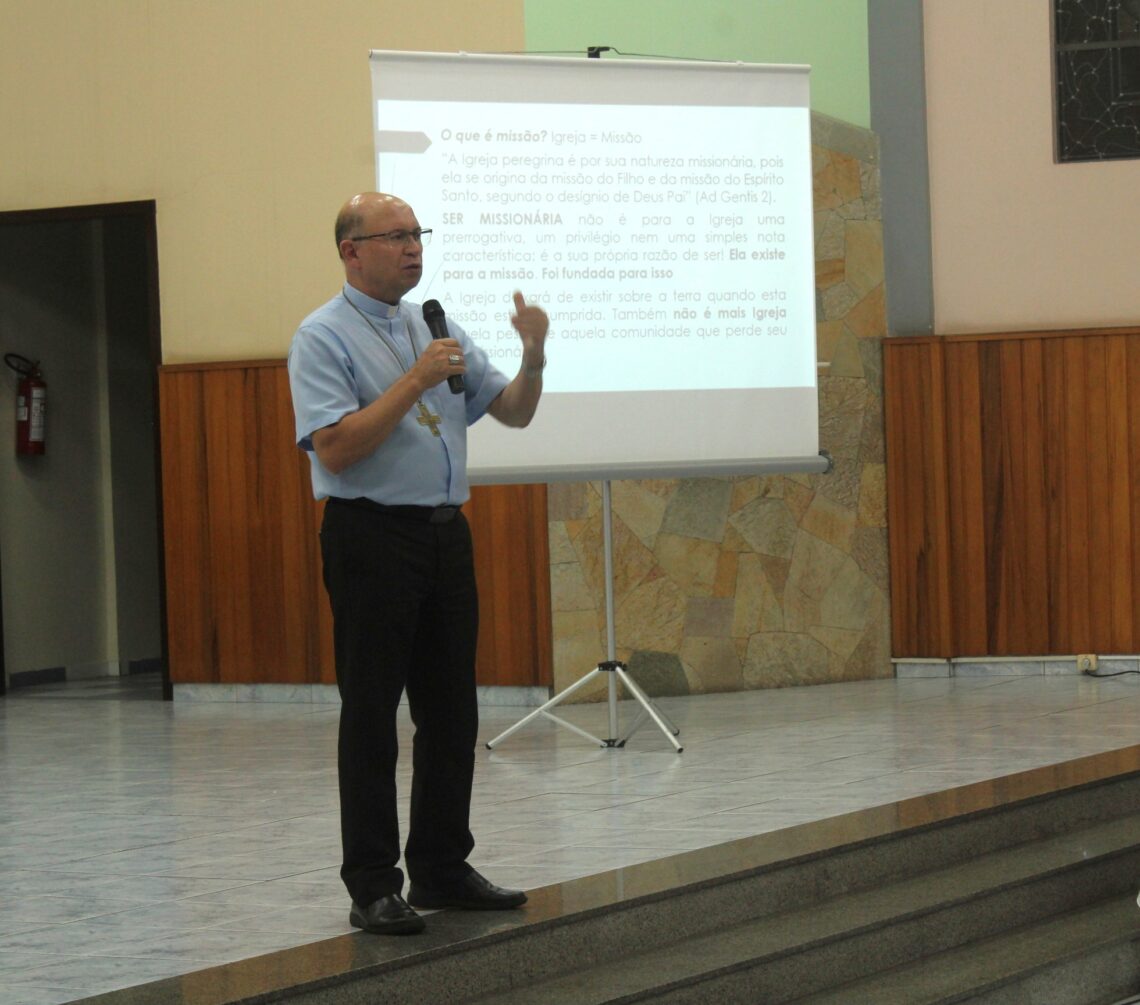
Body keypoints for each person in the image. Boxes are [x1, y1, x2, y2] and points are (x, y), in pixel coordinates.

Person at [287, 192, 548, 935]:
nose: (412, 248)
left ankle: (440, 865)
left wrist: (533, 354)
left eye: (416, 234)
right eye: (395, 236)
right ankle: (372, 883)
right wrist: (414, 381)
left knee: (451, 709)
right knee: (372, 711)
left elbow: (514, 411)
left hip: (443, 534)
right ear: (351, 251)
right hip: (370, 536)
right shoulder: (321, 336)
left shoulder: (433, 324)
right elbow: (335, 447)